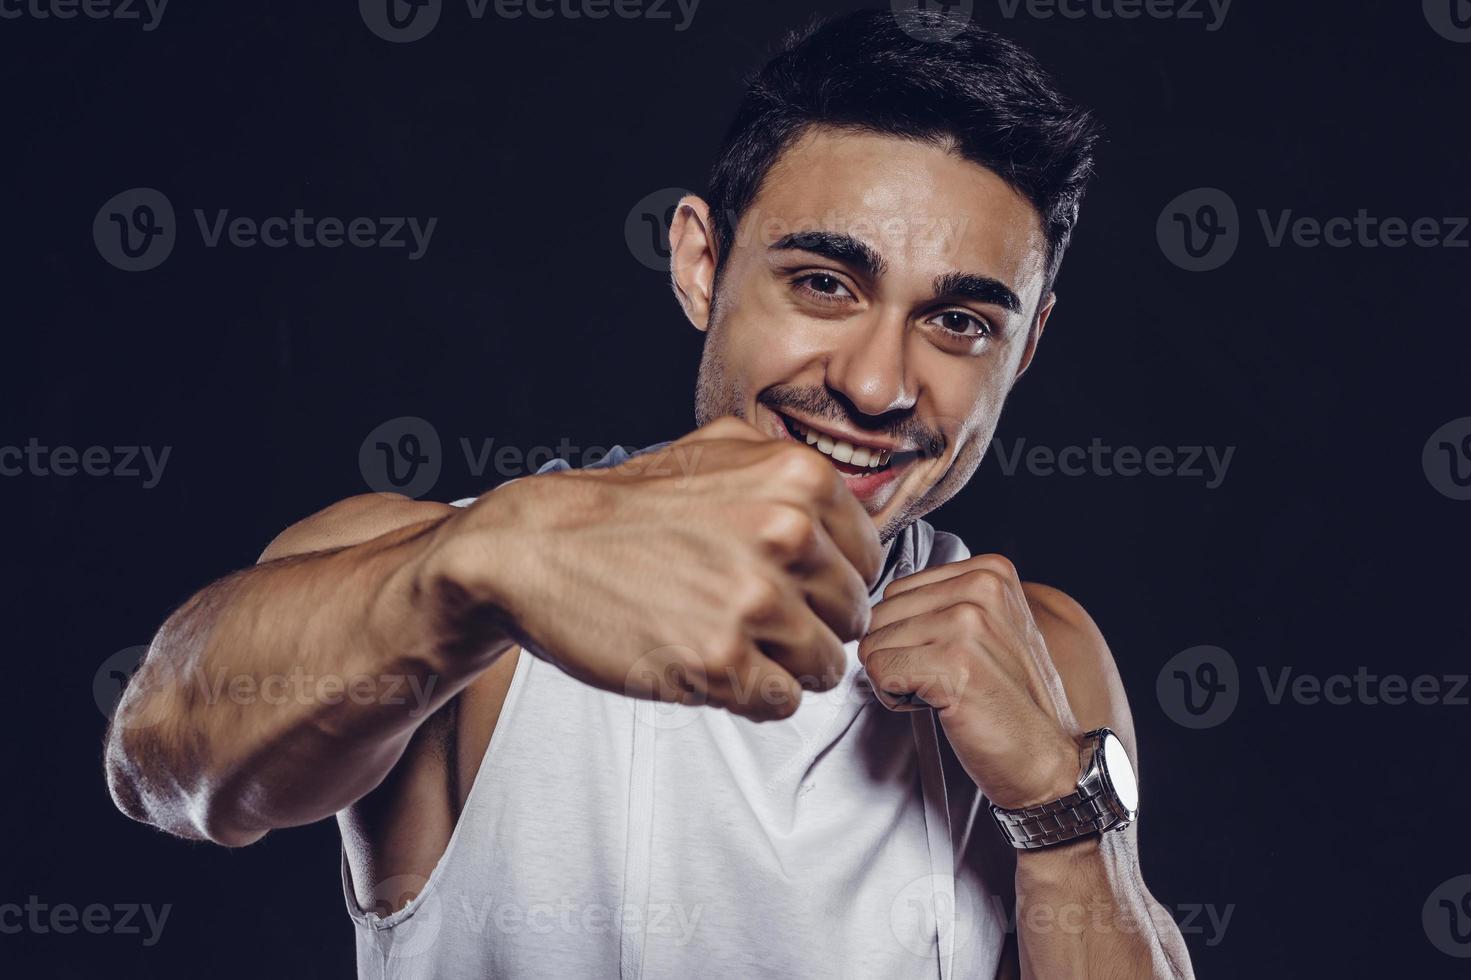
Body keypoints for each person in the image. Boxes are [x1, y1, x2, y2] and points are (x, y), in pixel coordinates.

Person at [104, 10, 1195, 978]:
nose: (875, 382)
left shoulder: (1037, 649)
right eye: (823, 282)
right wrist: (473, 569)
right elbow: (163, 751)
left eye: (959, 321)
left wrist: (1060, 806)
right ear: (699, 264)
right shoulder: (466, 578)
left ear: (1027, 346)